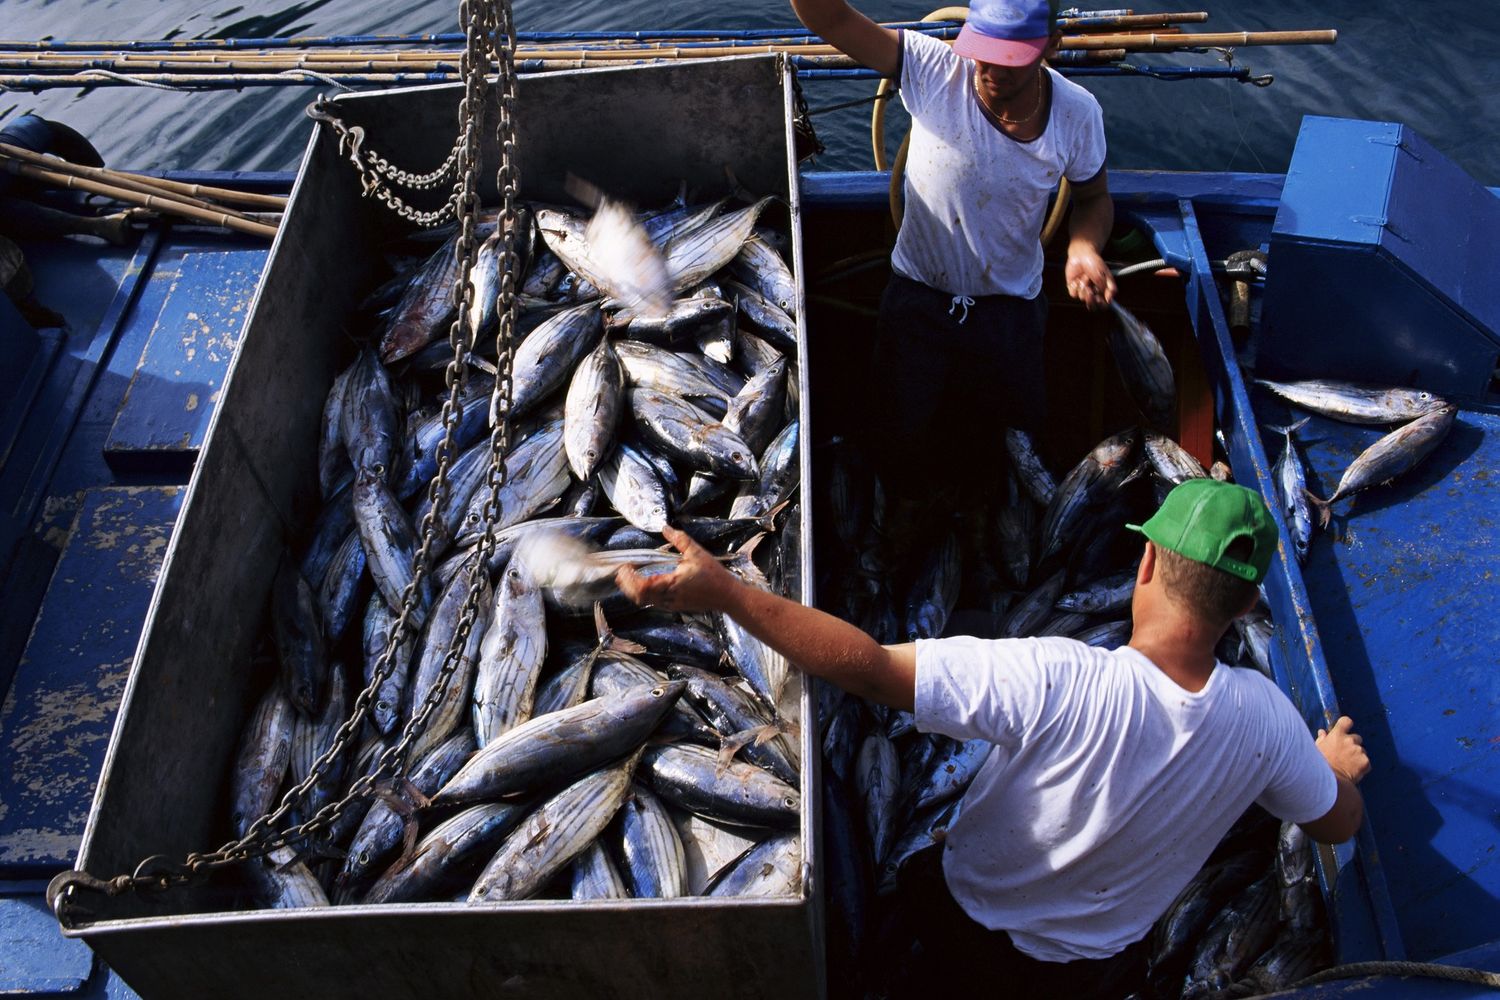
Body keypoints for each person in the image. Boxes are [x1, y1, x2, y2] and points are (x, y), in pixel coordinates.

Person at [617, 479, 1371, 999]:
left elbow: (872, 669)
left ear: (1145, 561)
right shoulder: (1267, 721)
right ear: (1243, 608)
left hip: (961, 939)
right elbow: (1337, 822)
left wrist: (726, 592)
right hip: (1090, 979)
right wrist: (1330, 769)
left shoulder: (1058, 677)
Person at [789, 0, 1118, 569]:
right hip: (918, 297)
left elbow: (1092, 199)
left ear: (1051, 47)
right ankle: (907, 509)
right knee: (898, 422)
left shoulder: (1076, 113)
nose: (990, 70)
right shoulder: (932, 68)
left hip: (1011, 309)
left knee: (1010, 432)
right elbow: (830, 18)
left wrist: (1083, 247)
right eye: (983, 54)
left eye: (1010, 60)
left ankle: (984, 516)